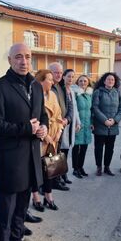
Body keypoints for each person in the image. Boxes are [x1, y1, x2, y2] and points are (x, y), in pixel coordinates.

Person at [0, 43, 48, 241]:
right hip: (10, 161)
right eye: (19, 57)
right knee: (5, 214)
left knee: (22, 208)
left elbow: (41, 114)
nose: (24, 61)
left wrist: (42, 126)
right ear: (10, 60)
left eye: (28, 57)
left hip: (31, 157)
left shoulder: (35, 86)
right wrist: (25, 129)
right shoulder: (0, 87)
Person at [33, 69, 64, 210]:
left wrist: (58, 133)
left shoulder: (52, 94)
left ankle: (48, 196)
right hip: (39, 138)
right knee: (35, 169)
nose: (52, 82)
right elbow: (34, 118)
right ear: (41, 80)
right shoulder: (33, 94)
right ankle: (36, 197)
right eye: (49, 79)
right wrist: (45, 135)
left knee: (50, 168)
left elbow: (58, 116)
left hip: (53, 140)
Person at [91, 72, 121, 177]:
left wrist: (115, 120)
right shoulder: (98, 92)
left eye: (112, 80)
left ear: (115, 82)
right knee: (99, 148)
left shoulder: (118, 93)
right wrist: (105, 120)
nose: (110, 81)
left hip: (113, 126)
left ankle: (107, 167)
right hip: (100, 125)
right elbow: (95, 108)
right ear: (104, 81)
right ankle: (99, 167)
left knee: (110, 148)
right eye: (108, 79)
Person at [49, 62, 72, 190]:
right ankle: (46, 184)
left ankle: (55, 180)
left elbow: (67, 107)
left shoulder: (61, 87)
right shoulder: (47, 87)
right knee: (49, 156)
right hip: (51, 128)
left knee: (57, 154)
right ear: (50, 72)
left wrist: (67, 119)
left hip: (61, 126)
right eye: (56, 72)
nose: (59, 75)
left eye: (60, 72)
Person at [60, 69, 81, 179]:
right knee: (60, 152)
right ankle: (59, 175)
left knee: (66, 150)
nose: (71, 79)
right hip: (62, 124)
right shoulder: (60, 90)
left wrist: (78, 122)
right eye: (68, 76)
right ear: (63, 77)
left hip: (70, 125)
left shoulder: (72, 91)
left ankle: (64, 175)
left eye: (73, 77)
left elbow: (75, 109)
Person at [72, 75, 93, 178]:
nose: (83, 83)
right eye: (81, 81)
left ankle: (81, 167)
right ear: (77, 82)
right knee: (76, 147)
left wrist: (92, 122)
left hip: (87, 124)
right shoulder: (75, 93)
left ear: (88, 82)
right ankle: (75, 169)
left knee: (84, 147)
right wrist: (75, 123)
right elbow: (73, 109)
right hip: (78, 124)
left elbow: (91, 110)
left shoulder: (89, 94)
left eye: (85, 81)